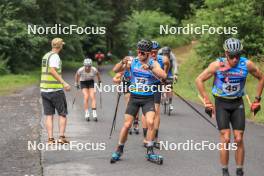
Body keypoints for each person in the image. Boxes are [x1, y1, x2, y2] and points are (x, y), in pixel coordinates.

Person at [195, 38, 264, 176]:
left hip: (237, 103)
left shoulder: (246, 64)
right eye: (232, 56)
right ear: (226, 53)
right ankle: (225, 171)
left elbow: (261, 77)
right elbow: (199, 79)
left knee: (238, 138)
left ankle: (239, 171)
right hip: (221, 103)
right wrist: (207, 101)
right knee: (226, 138)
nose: (235, 59)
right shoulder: (217, 65)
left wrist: (257, 99)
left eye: (238, 55)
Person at [110, 39, 167, 164]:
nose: (139, 54)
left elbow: (163, 75)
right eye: (138, 52)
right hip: (134, 98)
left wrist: (150, 68)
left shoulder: (154, 63)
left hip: (148, 98)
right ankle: (119, 149)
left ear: (149, 53)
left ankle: (150, 151)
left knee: (151, 122)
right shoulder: (133, 61)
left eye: (142, 53)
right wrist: (122, 62)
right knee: (127, 124)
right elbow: (115, 70)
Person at [40, 38, 71, 145]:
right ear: (60, 46)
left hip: (44, 90)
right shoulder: (55, 56)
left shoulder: (46, 55)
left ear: (52, 45)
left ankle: (50, 139)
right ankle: (61, 138)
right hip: (55, 90)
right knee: (62, 114)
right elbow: (52, 70)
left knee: (49, 115)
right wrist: (64, 83)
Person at [141, 41, 170, 148]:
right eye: (151, 52)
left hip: (157, 86)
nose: (153, 54)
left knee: (156, 112)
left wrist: (163, 77)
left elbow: (167, 64)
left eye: (155, 52)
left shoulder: (163, 59)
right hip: (145, 87)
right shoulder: (143, 59)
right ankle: (145, 138)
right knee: (145, 112)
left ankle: (155, 139)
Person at [113, 55, 140, 135]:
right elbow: (115, 75)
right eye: (128, 63)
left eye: (131, 64)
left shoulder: (136, 68)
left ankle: (136, 121)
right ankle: (130, 123)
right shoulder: (124, 69)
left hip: (135, 85)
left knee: (136, 104)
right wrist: (119, 83)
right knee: (129, 103)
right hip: (126, 85)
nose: (129, 65)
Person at [159, 46, 178, 111]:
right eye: (164, 54)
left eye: (167, 54)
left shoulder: (172, 56)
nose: (166, 55)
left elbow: (175, 65)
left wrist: (175, 74)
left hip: (169, 71)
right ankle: (161, 94)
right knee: (160, 83)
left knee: (169, 87)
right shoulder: (159, 53)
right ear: (162, 53)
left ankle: (170, 103)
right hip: (161, 69)